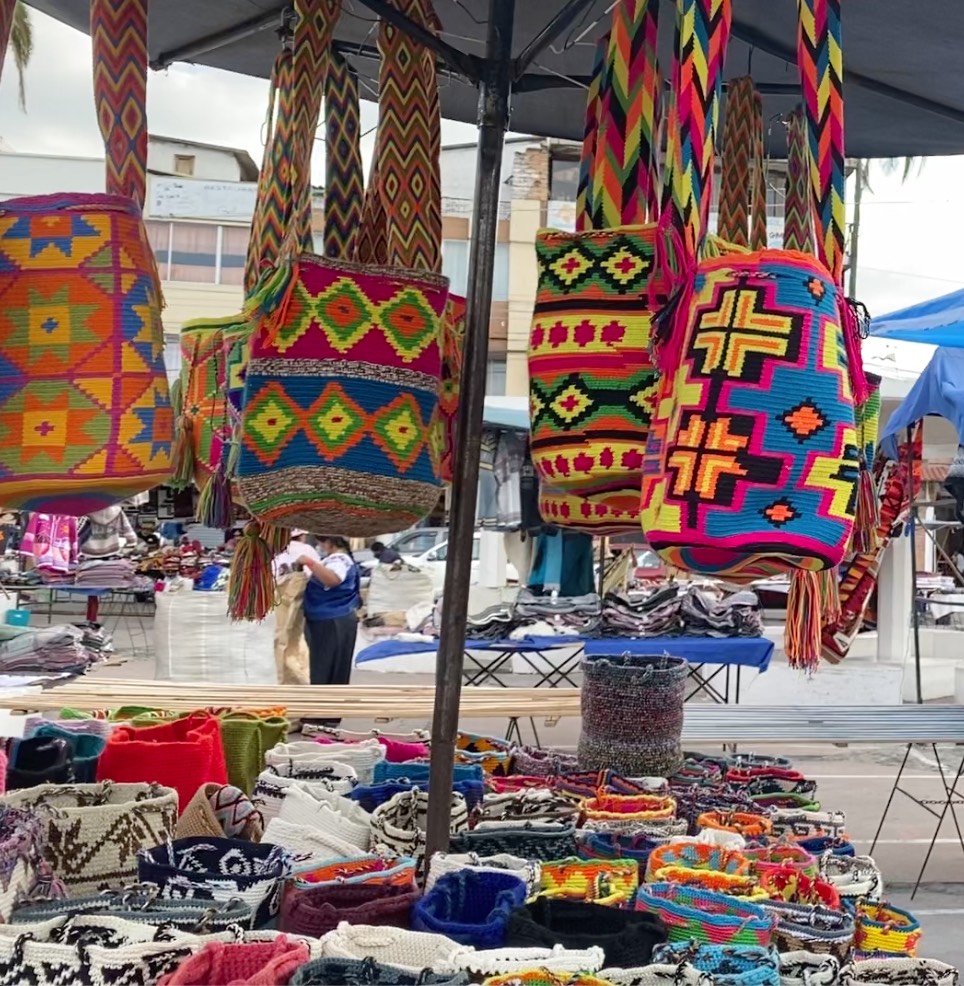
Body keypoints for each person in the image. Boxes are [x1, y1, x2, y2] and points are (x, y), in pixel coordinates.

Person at [297, 535, 361, 700]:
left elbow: (333, 580)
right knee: (332, 667)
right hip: (335, 618)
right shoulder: (339, 558)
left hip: (331, 620)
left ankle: (321, 712)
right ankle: (328, 712)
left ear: (329, 542)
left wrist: (310, 563)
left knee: (324, 667)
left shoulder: (339, 559)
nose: (320, 546)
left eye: (320, 542)